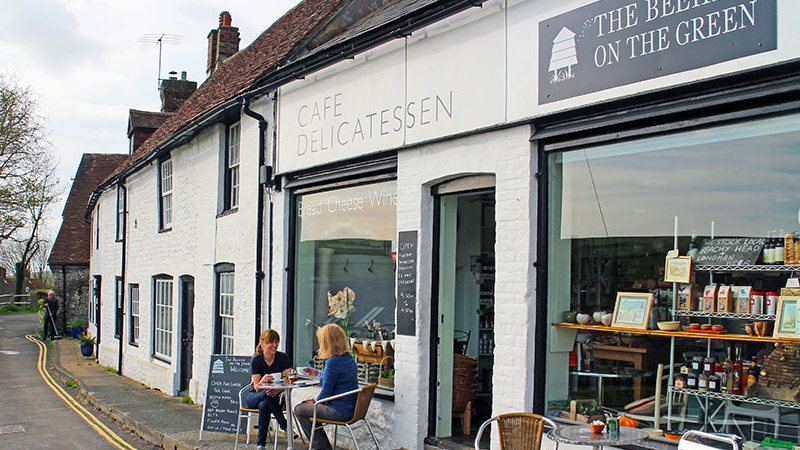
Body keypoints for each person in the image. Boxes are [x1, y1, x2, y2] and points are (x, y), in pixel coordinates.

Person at [294, 324, 358, 450]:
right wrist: (317, 373)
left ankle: (321, 447)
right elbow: (336, 380)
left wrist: (315, 402)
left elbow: (327, 392)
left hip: (339, 410)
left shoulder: (332, 362)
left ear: (327, 342)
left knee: (299, 409)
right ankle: (323, 446)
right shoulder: (348, 358)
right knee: (310, 409)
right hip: (350, 407)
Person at [247, 329, 292, 450]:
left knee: (264, 405)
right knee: (265, 396)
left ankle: (261, 445)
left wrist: (277, 390)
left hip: (275, 398)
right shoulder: (256, 360)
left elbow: (290, 379)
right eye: (271, 342)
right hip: (255, 396)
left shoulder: (282, 357)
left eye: (277, 342)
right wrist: (263, 381)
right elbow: (256, 387)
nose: (275, 345)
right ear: (262, 344)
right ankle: (286, 427)